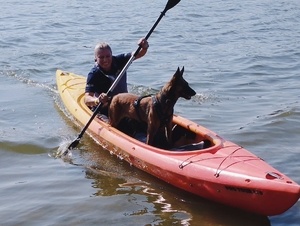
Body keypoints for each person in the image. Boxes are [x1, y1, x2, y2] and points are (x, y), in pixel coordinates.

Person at [84, 37, 149, 116]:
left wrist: (144, 47)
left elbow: (138, 53)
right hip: (104, 108)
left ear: (112, 55)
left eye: (108, 56)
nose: (105, 60)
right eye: (101, 57)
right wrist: (97, 100)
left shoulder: (119, 60)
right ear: (95, 58)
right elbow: (87, 99)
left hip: (123, 104)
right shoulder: (93, 74)